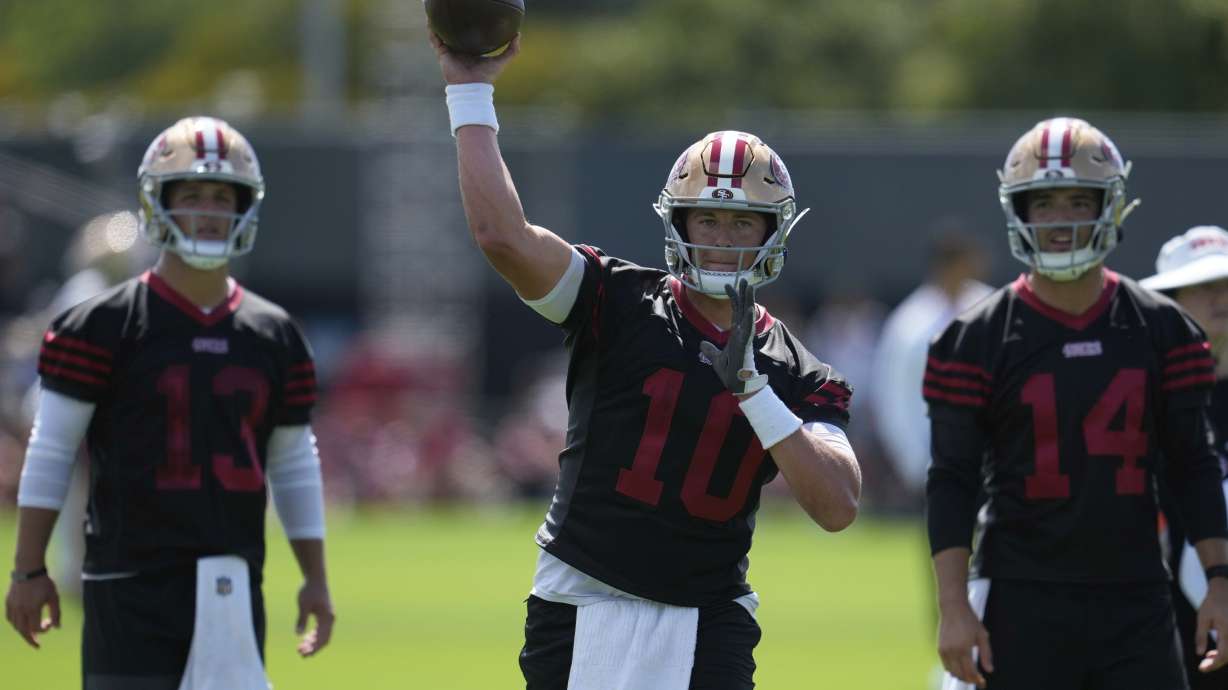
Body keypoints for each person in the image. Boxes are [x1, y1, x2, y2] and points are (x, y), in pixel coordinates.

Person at [430, 32, 862, 690]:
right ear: (677, 225)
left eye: (743, 224)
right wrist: (469, 90)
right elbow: (502, 238)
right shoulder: (617, 300)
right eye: (707, 220)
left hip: (710, 615)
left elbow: (838, 505)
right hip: (582, 599)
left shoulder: (798, 370)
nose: (722, 241)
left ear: (774, 234)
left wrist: (753, 391)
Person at [4, 116, 335, 690]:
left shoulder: (274, 334)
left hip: (233, 581)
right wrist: (28, 567)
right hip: (126, 582)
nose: (208, 210)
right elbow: (52, 448)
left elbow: (293, 462)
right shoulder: (99, 324)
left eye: (221, 196)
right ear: (159, 203)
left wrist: (315, 577)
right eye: (192, 195)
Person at [925, 116, 1228, 690]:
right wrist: (953, 604)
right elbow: (951, 479)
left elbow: (1193, 465)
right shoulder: (973, 338)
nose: (1061, 219)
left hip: (1137, 596)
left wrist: (1219, 579)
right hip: (1020, 594)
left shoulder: (1167, 330)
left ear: (1109, 207)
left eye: (1078, 200)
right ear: (1020, 211)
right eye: (1044, 203)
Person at [1140, 225, 1228, 690]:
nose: (1222, 300)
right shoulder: (1146, 397)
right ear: (1171, 301)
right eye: (1206, 288)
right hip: (1167, 615)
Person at [871, 224, 991, 505]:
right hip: (933, 452)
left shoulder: (993, 305)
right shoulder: (910, 323)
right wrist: (910, 457)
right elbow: (891, 393)